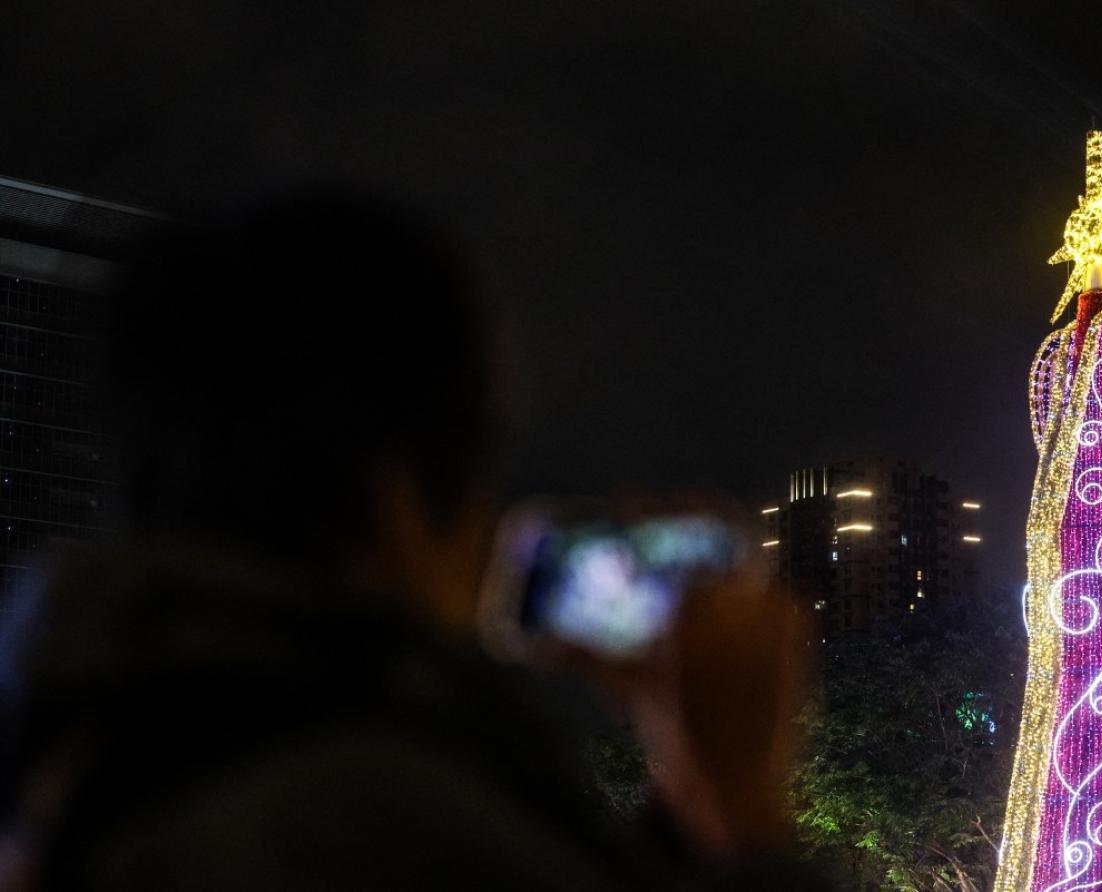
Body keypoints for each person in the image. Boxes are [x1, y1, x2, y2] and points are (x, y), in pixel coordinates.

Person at [3, 190, 821, 890]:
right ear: (395, 495)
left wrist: (685, 797)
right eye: (480, 474)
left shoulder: (100, 752)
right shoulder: (368, 807)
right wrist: (745, 808)